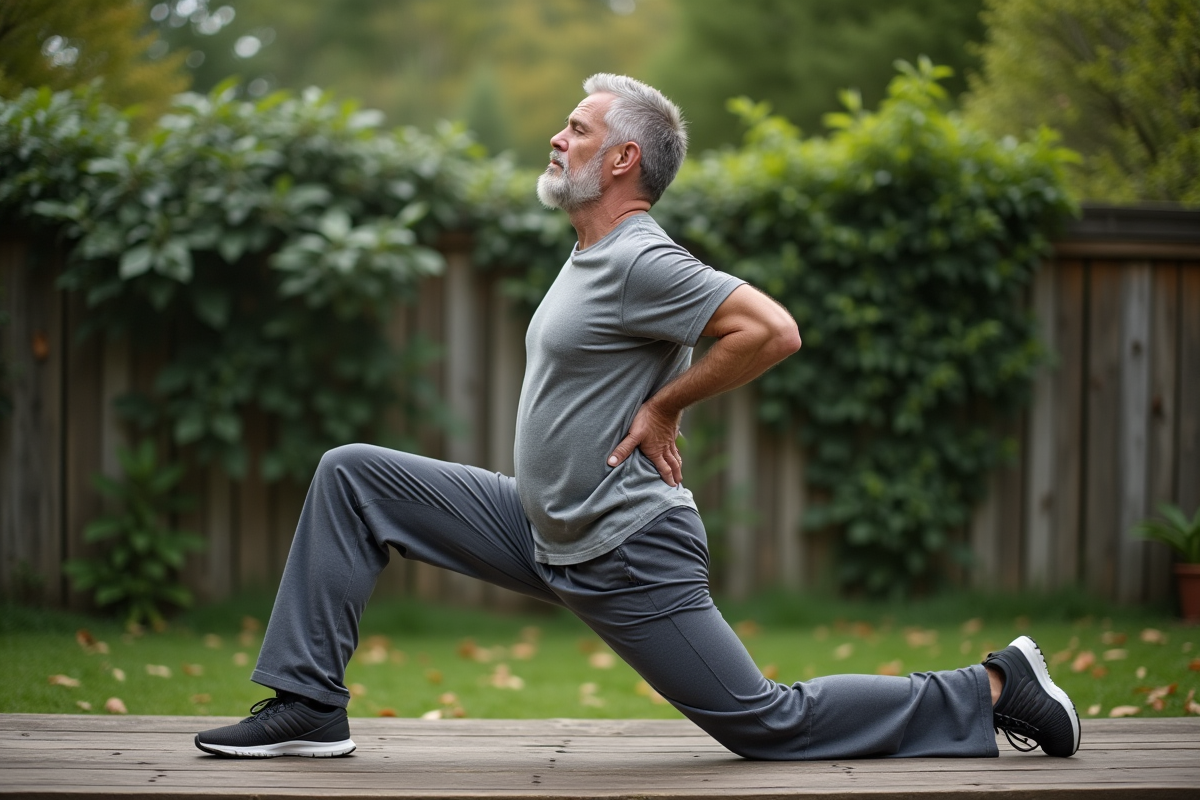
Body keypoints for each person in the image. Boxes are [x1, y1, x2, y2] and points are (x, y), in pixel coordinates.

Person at [195, 74, 1080, 761]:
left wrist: (664, 404)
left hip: (624, 547)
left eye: (577, 127)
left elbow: (771, 330)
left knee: (764, 724)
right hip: (543, 525)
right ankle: (310, 702)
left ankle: (996, 687)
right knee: (354, 476)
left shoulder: (638, 259)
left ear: (622, 158)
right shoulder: (590, 256)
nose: (557, 135)